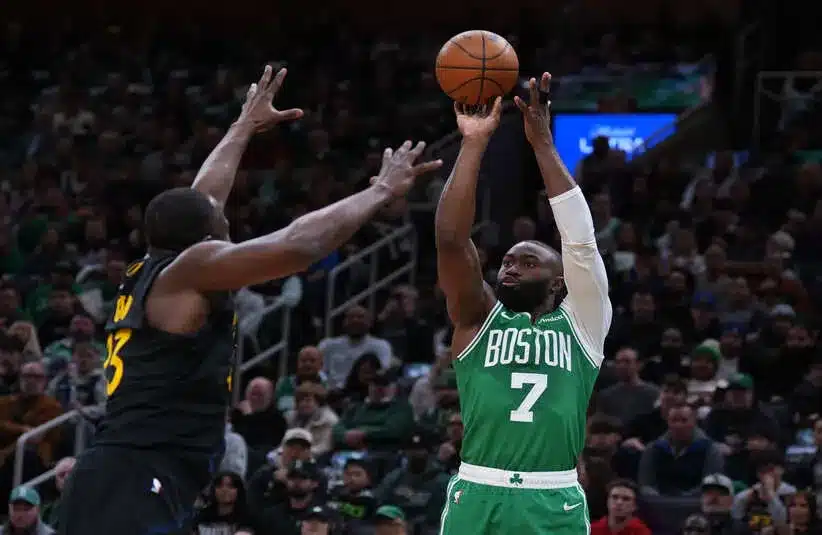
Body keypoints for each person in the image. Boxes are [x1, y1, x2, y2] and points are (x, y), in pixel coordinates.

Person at [58, 65, 442, 535]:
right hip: (136, 476)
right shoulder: (191, 269)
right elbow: (299, 246)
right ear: (203, 240)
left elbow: (206, 195)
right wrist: (379, 191)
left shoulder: (160, 267)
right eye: (220, 228)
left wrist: (243, 126)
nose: (227, 227)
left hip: (134, 470)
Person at [435, 73, 611, 535]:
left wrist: (544, 147)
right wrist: (472, 145)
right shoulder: (477, 319)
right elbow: (451, 241)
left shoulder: (584, 325)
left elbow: (581, 242)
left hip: (551, 494)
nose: (509, 268)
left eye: (527, 263)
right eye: (508, 261)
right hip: (478, 487)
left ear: (558, 283)